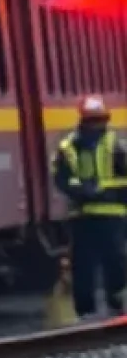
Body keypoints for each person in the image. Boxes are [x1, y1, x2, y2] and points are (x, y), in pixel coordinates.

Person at [53, 96, 127, 319]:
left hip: (112, 213)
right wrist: (80, 190)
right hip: (82, 215)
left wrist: (108, 191)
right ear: (83, 120)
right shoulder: (68, 148)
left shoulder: (116, 146)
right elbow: (61, 178)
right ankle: (86, 311)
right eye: (92, 120)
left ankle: (117, 304)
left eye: (100, 120)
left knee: (115, 261)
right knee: (82, 266)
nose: (97, 125)